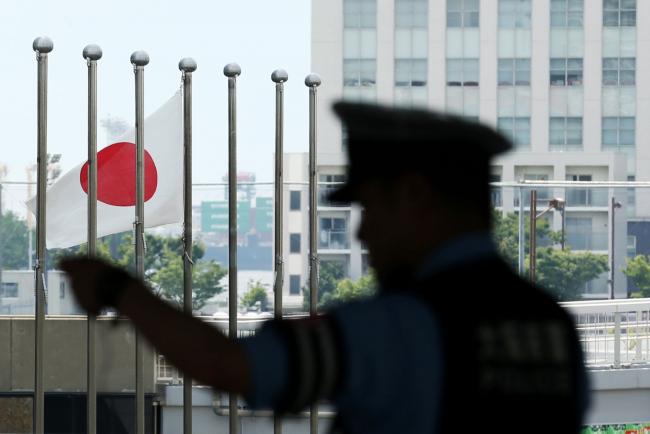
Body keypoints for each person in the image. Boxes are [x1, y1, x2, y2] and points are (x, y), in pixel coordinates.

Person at [62, 102, 589, 433]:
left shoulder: (399, 328)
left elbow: (230, 366)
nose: (362, 233)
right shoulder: (555, 329)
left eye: (371, 209)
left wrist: (118, 288)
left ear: (414, 196)